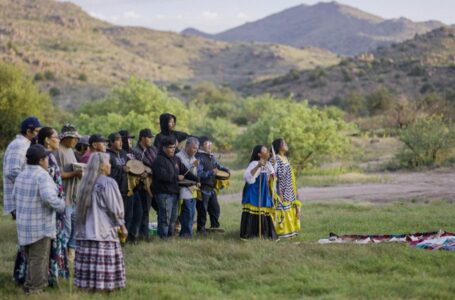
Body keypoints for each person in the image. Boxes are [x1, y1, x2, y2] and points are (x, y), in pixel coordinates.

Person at [13, 144, 65, 294]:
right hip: (40, 226)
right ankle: (36, 289)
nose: (49, 160)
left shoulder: (22, 175)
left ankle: (29, 285)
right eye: (47, 157)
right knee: (39, 259)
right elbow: (49, 199)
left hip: (24, 225)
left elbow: (14, 197)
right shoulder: (42, 176)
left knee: (31, 258)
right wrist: (61, 205)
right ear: (42, 160)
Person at [74, 152, 127, 291]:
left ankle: (87, 287)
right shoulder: (108, 182)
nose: (110, 165)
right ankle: (103, 288)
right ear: (102, 166)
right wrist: (121, 225)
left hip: (85, 232)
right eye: (108, 163)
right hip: (103, 231)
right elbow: (115, 209)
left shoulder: (85, 183)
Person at [37, 127, 69, 284]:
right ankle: (51, 275)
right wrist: (58, 203)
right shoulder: (45, 157)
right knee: (53, 240)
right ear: (47, 140)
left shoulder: (49, 155)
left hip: (56, 205)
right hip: (52, 207)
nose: (59, 139)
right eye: (56, 137)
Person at [152, 136, 198, 238]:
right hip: (163, 193)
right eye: (170, 147)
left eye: (174, 147)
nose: (173, 149)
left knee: (173, 218)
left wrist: (197, 179)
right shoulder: (158, 160)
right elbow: (162, 176)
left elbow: (185, 171)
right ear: (164, 148)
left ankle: (169, 236)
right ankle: (163, 238)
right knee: (165, 218)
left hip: (174, 193)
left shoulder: (176, 159)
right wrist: (176, 177)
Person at [54, 123, 82, 261]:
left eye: (77, 139)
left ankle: (72, 252)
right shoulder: (58, 151)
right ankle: (61, 256)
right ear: (65, 138)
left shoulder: (70, 150)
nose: (75, 141)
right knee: (67, 228)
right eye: (73, 138)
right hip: (64, 196)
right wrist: (74, 174)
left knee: (76, 226)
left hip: (74, 195)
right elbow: (57, 174)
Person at [3, 116, 41, 218]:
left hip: (23, 197)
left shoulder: (26, 144)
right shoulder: (19, 144)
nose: (39, 134)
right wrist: (32, 183)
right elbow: (11, 171)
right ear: (29, 131)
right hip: (20, 199)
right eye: (37, 131)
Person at [240, 145, 277, 239]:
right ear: (259, 154)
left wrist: (273, 166)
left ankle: (264, 234)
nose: (268, 152)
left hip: (264, 192)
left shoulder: (268, 164)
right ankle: (251, 234)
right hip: (254, 192)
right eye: (265, 150)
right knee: (253, 210)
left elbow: (272, 178)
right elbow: (248, 178)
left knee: (264, 211)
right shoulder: (254, 163)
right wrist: (258, 166)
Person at [196, 136, 230, 234]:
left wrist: (226, 170)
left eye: (211, 144)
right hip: (202, 188)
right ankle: (201, 229)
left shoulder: (212, 157)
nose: (210, 146)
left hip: (211, 188)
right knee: (202, 210)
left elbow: (219, 166)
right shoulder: (199, 157)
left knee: (215, 208)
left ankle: (214, 227)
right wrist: (211, 172)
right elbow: (199, 174)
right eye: (207, 144)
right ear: (202, 146)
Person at [271, 138, 302, 238]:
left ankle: (291, 231)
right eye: (284, 143)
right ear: (279, 146)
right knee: (282, 210)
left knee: (291, 208)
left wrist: (295, 189)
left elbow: (291, 176)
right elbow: (274, 176)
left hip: (289, 189)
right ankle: (282, 232)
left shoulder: (286, 159)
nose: (286, 145)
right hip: (281, 191)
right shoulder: (276, 159)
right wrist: (278, 191)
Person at [130, 128, 157, 242]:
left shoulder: (153, 150)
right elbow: (134, 166)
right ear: (142, 138)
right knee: (141, 213)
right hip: (139, 186)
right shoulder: (135, 151)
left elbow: (155, 165)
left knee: (146, 211)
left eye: (151, 137)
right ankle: (142, 236)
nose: (151, 139)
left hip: (152, 184)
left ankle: (143, 235)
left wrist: (150, 170)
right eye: (149, 137)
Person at [175, 137, 200, 237]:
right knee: (187, 213)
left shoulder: (194, 158)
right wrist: (191, 166)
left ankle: (187, 233)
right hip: (183, 190)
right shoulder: (178, 157)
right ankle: (185, 234)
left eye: (197, 148)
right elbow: (182, 173)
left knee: (192, 213)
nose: (195, 150)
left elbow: (194, 174)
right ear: (187, 146)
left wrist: (197, 181)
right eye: (193, 148)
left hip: (193, 189)